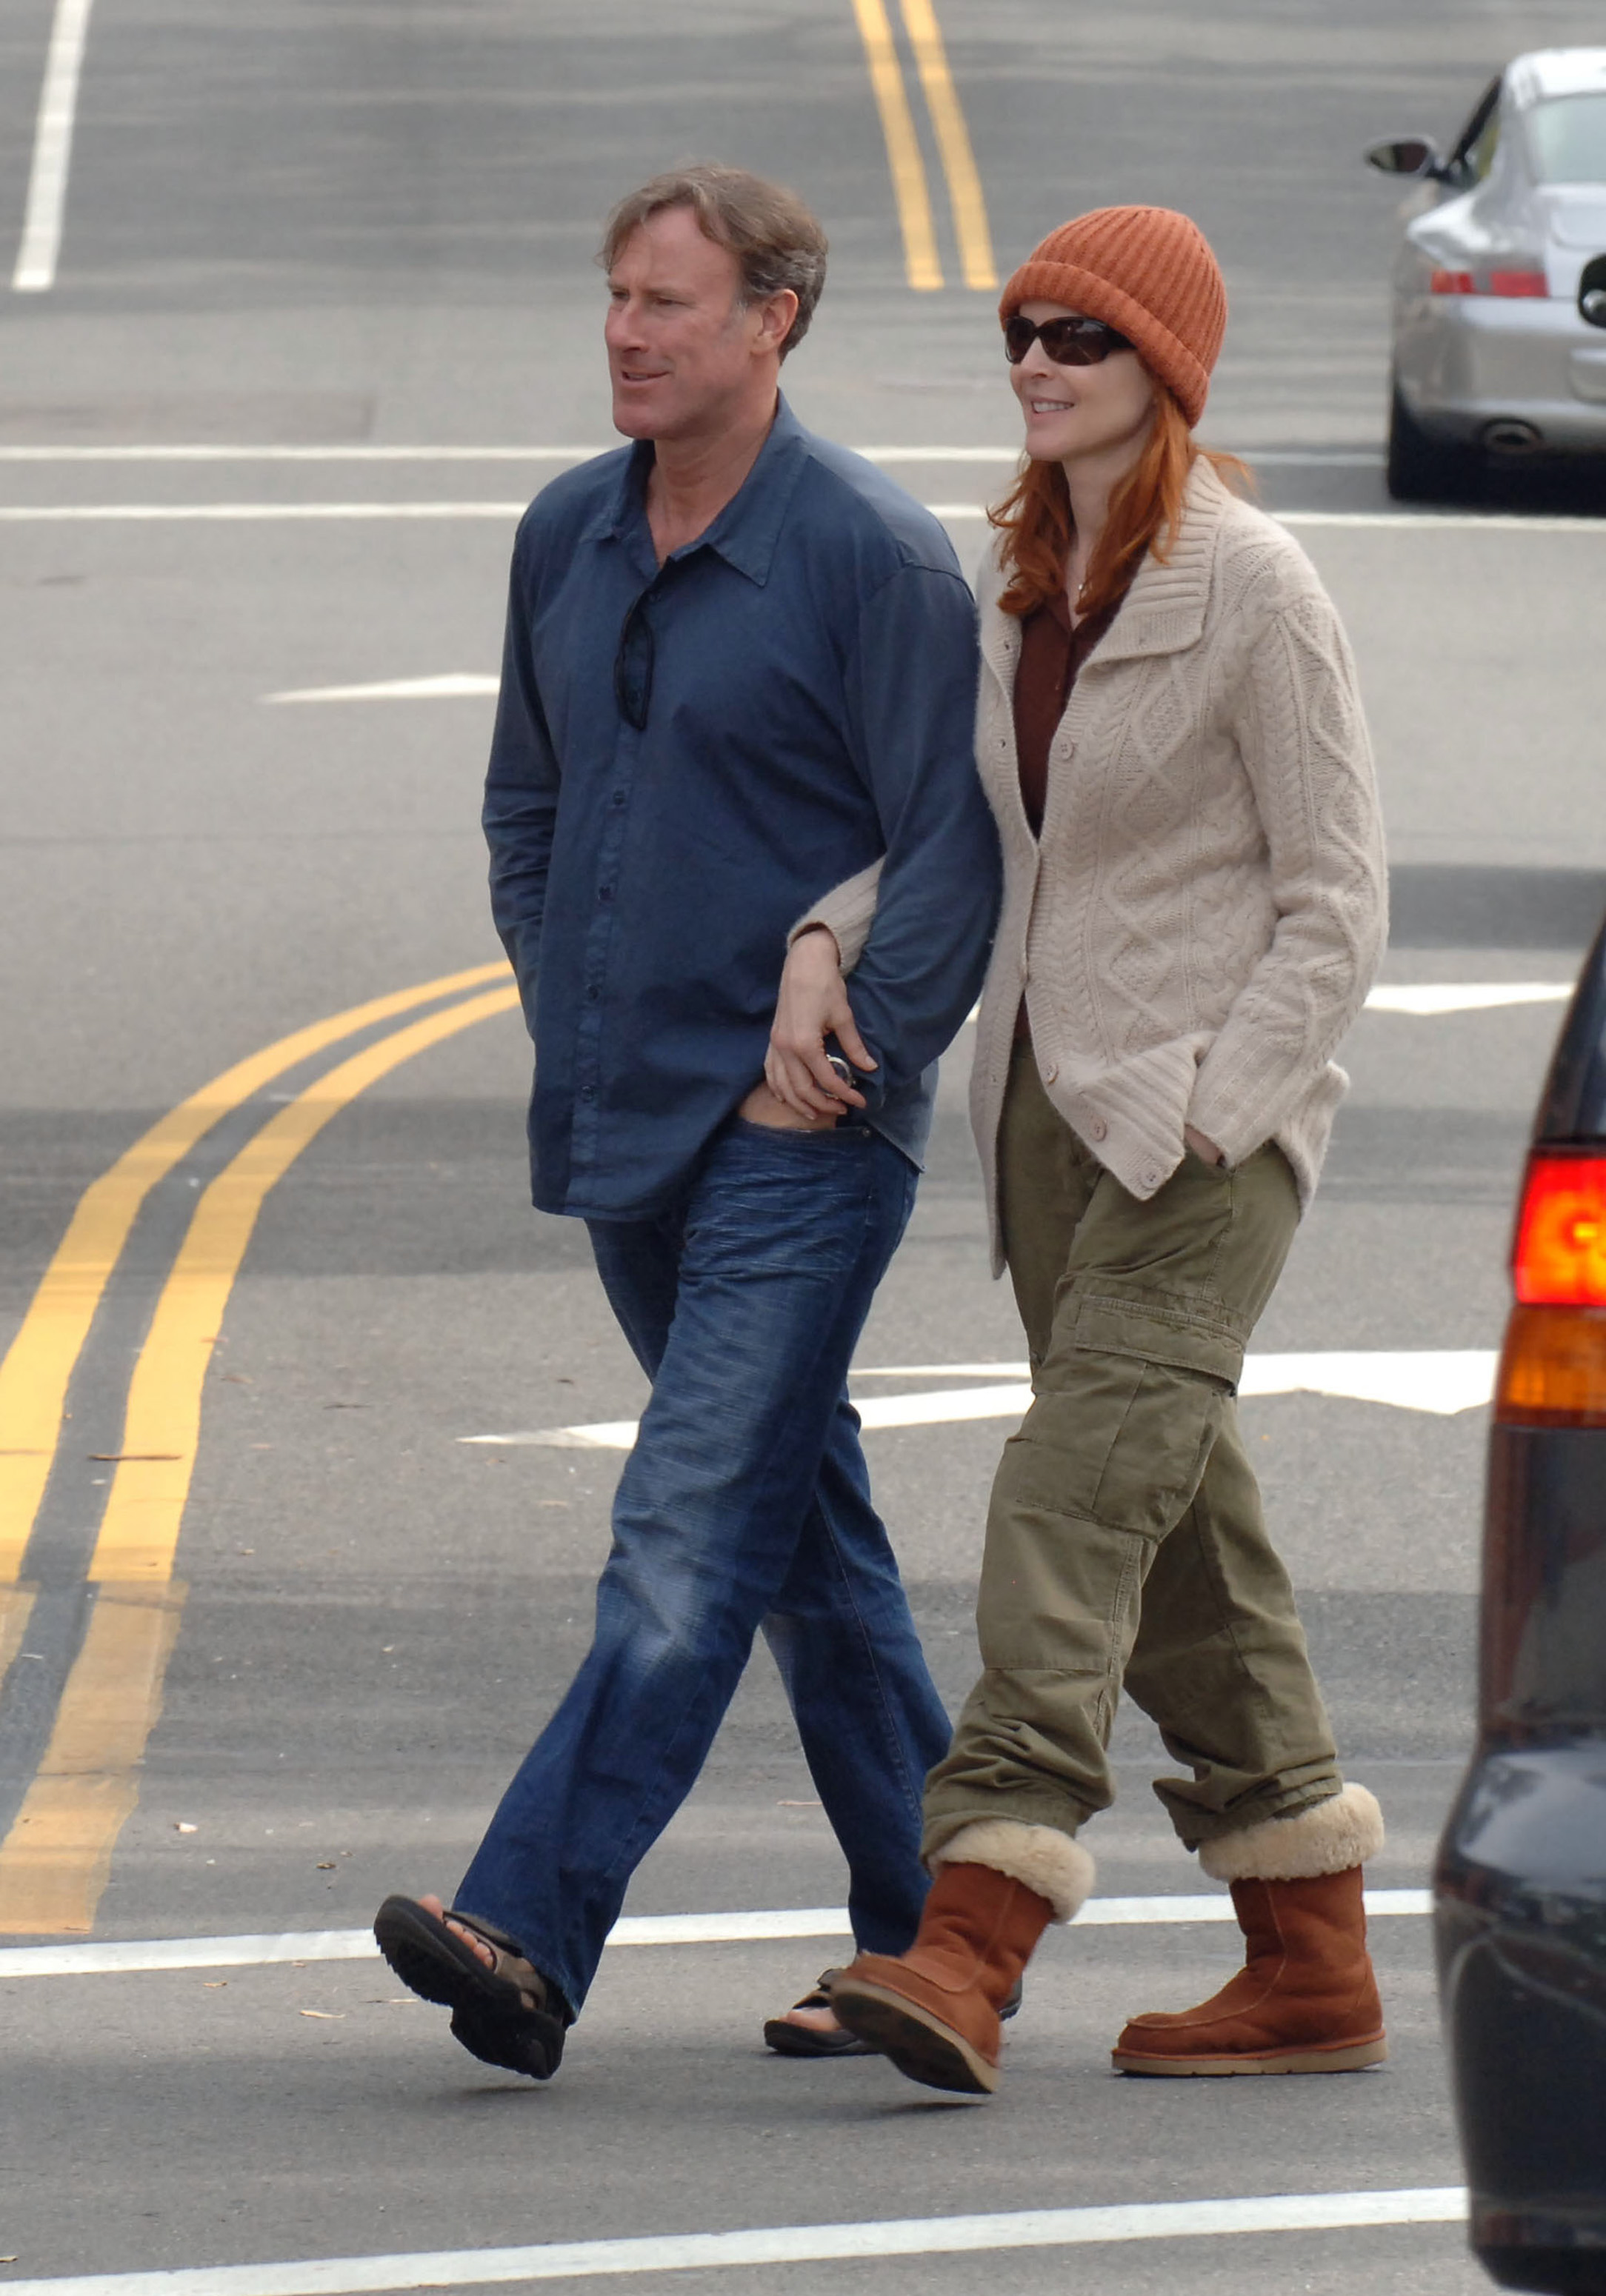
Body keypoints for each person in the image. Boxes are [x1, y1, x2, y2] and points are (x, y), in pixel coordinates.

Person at [372, 164, 999, 2080]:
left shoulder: (872, 561)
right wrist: (576, 1007)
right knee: (794, 1532)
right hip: (626, 1118)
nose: (632, 335)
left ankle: (530, 1923)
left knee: (685, 1525)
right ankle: (937, 1931)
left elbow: (952, 853)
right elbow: (526, 813)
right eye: (619, 302)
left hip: (801, 1142)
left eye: (670, 303)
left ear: (773, 320)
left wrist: (847, 1051)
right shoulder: (565, 530)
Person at [819, 207, 1390, 2093]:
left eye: (1081, 334)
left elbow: (1334, 898)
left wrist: (1221, 1108)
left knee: (1070, 1501)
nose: (1040, 359)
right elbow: (966, 838)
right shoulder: (1012, 578)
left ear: (1168, 366)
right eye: (1022, 331)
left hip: (1199, 1145)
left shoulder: (1254, 584)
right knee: (1180, 1528)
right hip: (1045, 1127)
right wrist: (831, 932)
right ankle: (1309, 1954)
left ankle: (971, 1935)